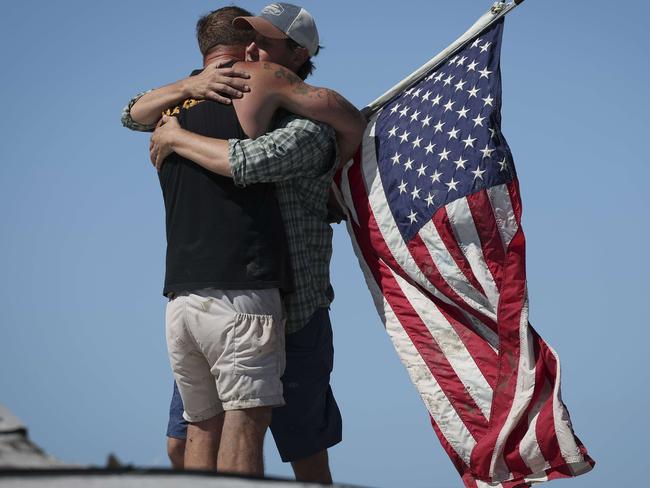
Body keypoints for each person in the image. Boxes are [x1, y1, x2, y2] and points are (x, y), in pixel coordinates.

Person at [122, 3, 365, 482]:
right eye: (247, 38)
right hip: (231, 296)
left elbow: (253, 161)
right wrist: (186, 91)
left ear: (297, 56)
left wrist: (174, 137)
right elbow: (131, 112)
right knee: (190, 438)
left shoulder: (311, 128)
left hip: (292, 307)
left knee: (302, 448)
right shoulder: (223, 97)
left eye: (264, 42)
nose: (250, 49)